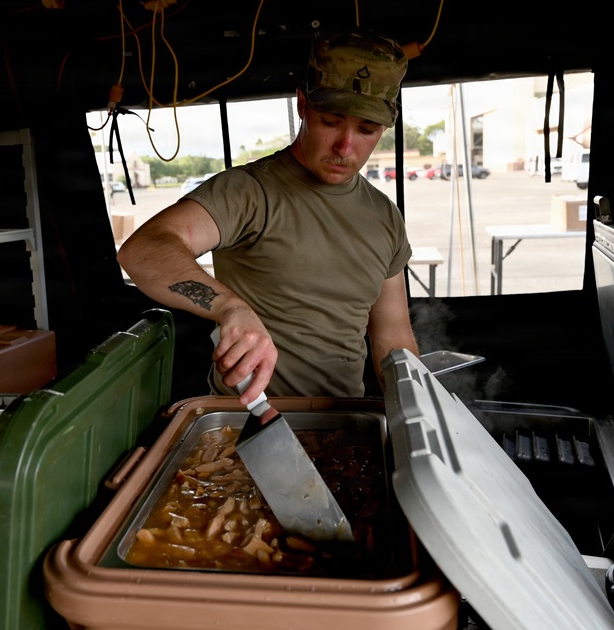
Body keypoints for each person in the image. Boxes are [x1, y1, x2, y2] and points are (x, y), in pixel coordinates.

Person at [117, 25, 420, 403]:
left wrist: (419, 413)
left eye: (367, 129)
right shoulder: (248, 192)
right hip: (245, 424)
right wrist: (230, 308)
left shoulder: (384, 216)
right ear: (302, 106)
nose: (346, 145)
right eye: (330, 122)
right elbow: (142, 250)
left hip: (344, 427)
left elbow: (393, 337)